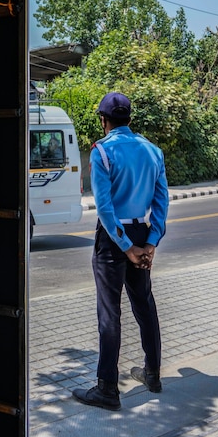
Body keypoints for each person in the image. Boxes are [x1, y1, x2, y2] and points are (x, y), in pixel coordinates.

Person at [71, 92, 169, 411]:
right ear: (130, 118)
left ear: (104, 120)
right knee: (144, 303)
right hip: (142, 231)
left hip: (115, 238)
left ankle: (107, 389)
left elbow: (106, 208)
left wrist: (126, 247)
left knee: (109, 312)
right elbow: (161, 202)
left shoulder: (102, 151)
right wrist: (150, 242)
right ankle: (153, 374)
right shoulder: (153, 151)